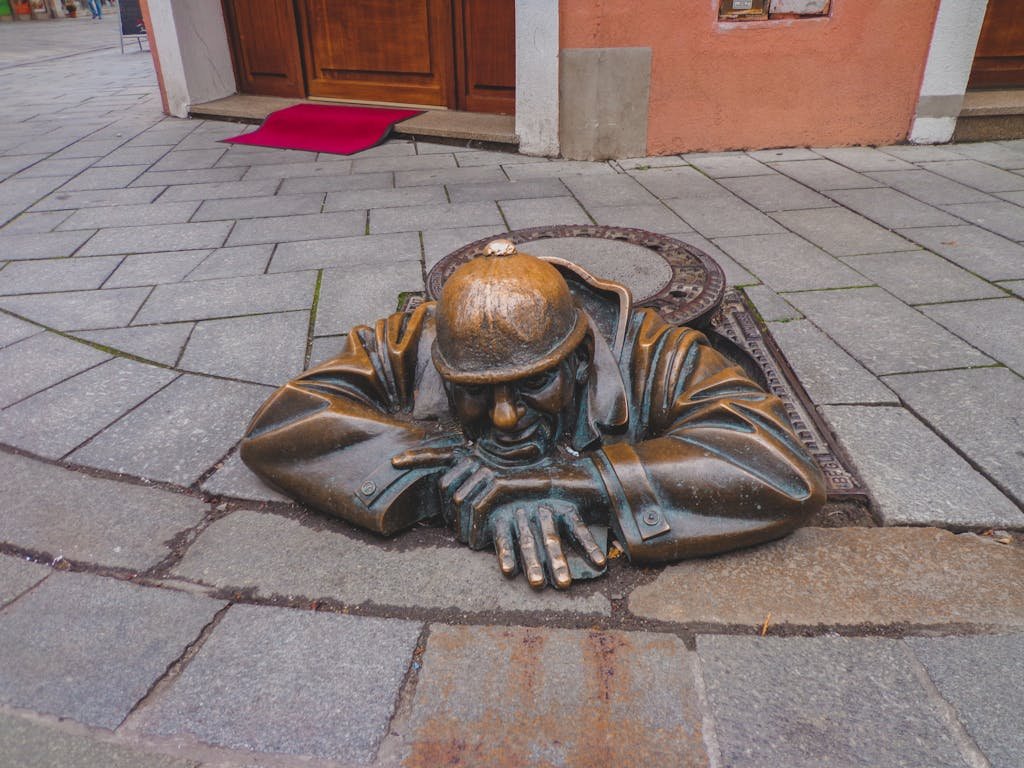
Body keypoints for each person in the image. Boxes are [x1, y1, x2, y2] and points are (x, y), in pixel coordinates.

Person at [240, 241, 826, 588]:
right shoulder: (416, 339)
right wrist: (440, 470)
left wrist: (574, 481)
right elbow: (282, 423)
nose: (502, 418)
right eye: (473, 391)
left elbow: (781, 469)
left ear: (580, 361)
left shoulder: (661, 355)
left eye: (535, 384)